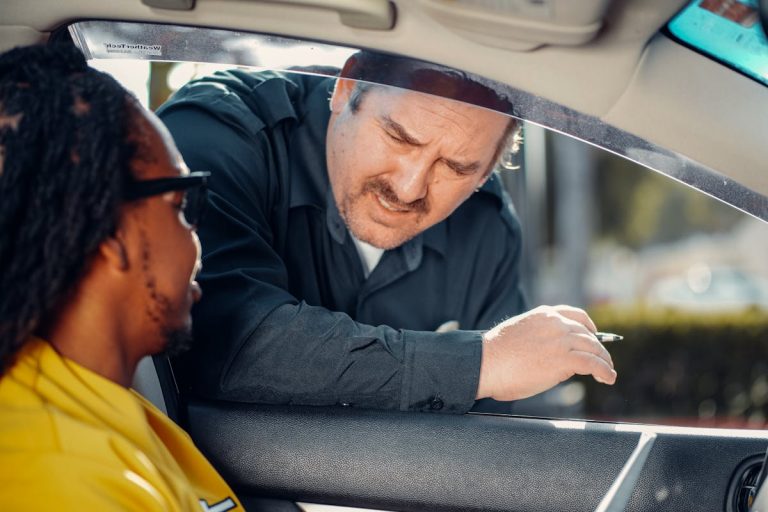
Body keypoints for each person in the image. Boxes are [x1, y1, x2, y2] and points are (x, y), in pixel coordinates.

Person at [158, 51, 617, 414]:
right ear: (346, 87)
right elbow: (228, 342)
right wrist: (479, 361)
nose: (409, 186)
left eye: (456, 167)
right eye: (399, 137)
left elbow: (483, 447)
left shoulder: (488, 231)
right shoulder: (218, 134)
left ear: (487, 171)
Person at [0, 44, 241, 511]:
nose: (195, 239)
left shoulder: (99, 397)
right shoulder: (60, 479)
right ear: (110, 230)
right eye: (179, 207)